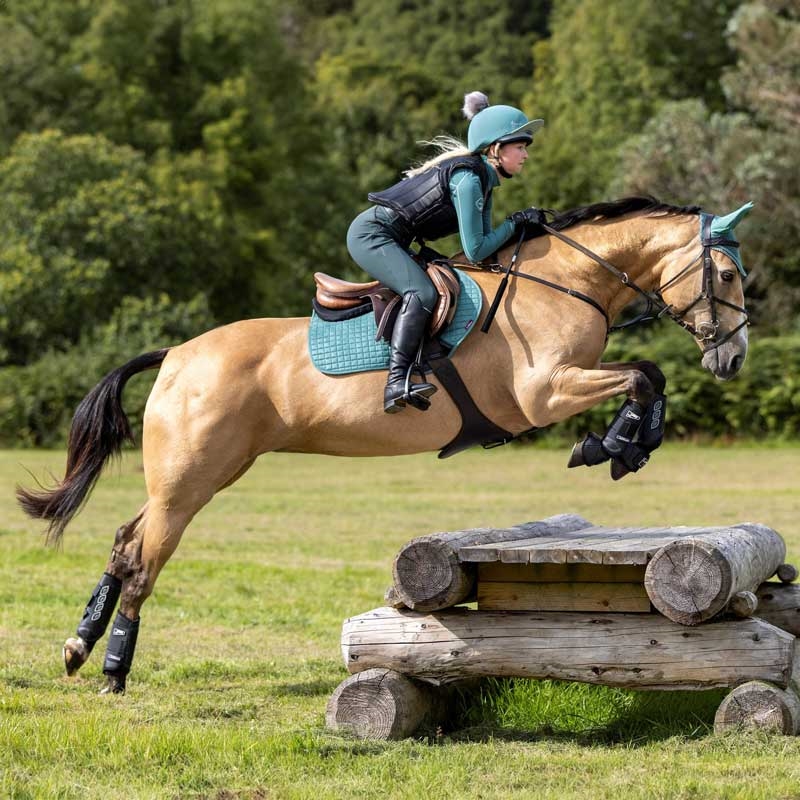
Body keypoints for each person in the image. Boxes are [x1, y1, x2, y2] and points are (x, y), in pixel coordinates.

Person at [347, 91, 546, 414]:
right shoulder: (468, 180)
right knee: (422, 292)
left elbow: (480, 251)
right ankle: (396, 381)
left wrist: (520, 227)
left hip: (396, 239)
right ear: (495, 149)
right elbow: (477, 248)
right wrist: (514, 223)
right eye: (520, 147)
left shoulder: (482, 179)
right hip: (372, 235)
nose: (525, 155)